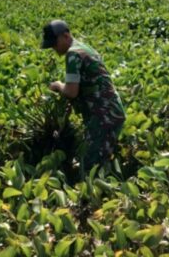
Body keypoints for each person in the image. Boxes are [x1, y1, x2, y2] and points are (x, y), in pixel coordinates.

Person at [43, 19, 126, 171]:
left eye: (54, 43)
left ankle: (92, 192)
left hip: (103, 116)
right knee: (101, 163)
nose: (53, 48)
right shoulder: (85, 48)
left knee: (89, 168)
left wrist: (58, 86)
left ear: (66, 35)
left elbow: (71, 92)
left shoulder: (73, 54)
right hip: (111, 112)